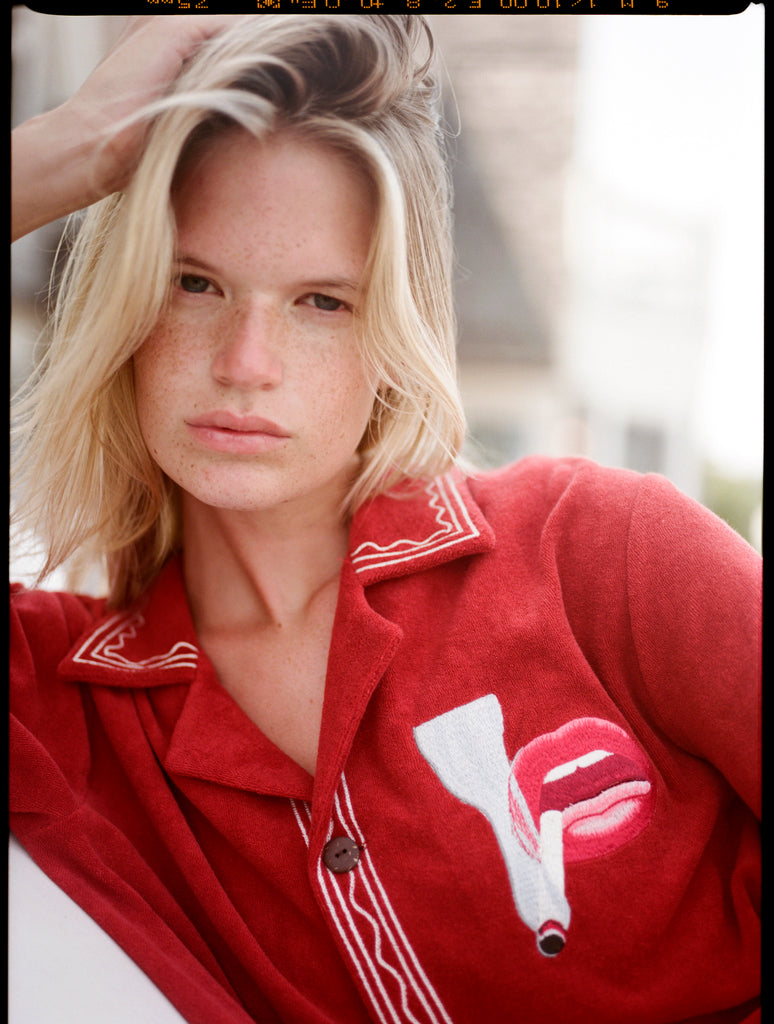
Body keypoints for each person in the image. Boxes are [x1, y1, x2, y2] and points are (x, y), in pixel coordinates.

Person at [10, 14, 760, 1024]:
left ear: (394, 330)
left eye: (321, 302)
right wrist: (69, 151)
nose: (245, 361)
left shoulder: (604, 554)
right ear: (128, 303)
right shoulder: (66, 709)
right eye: (196, 284)